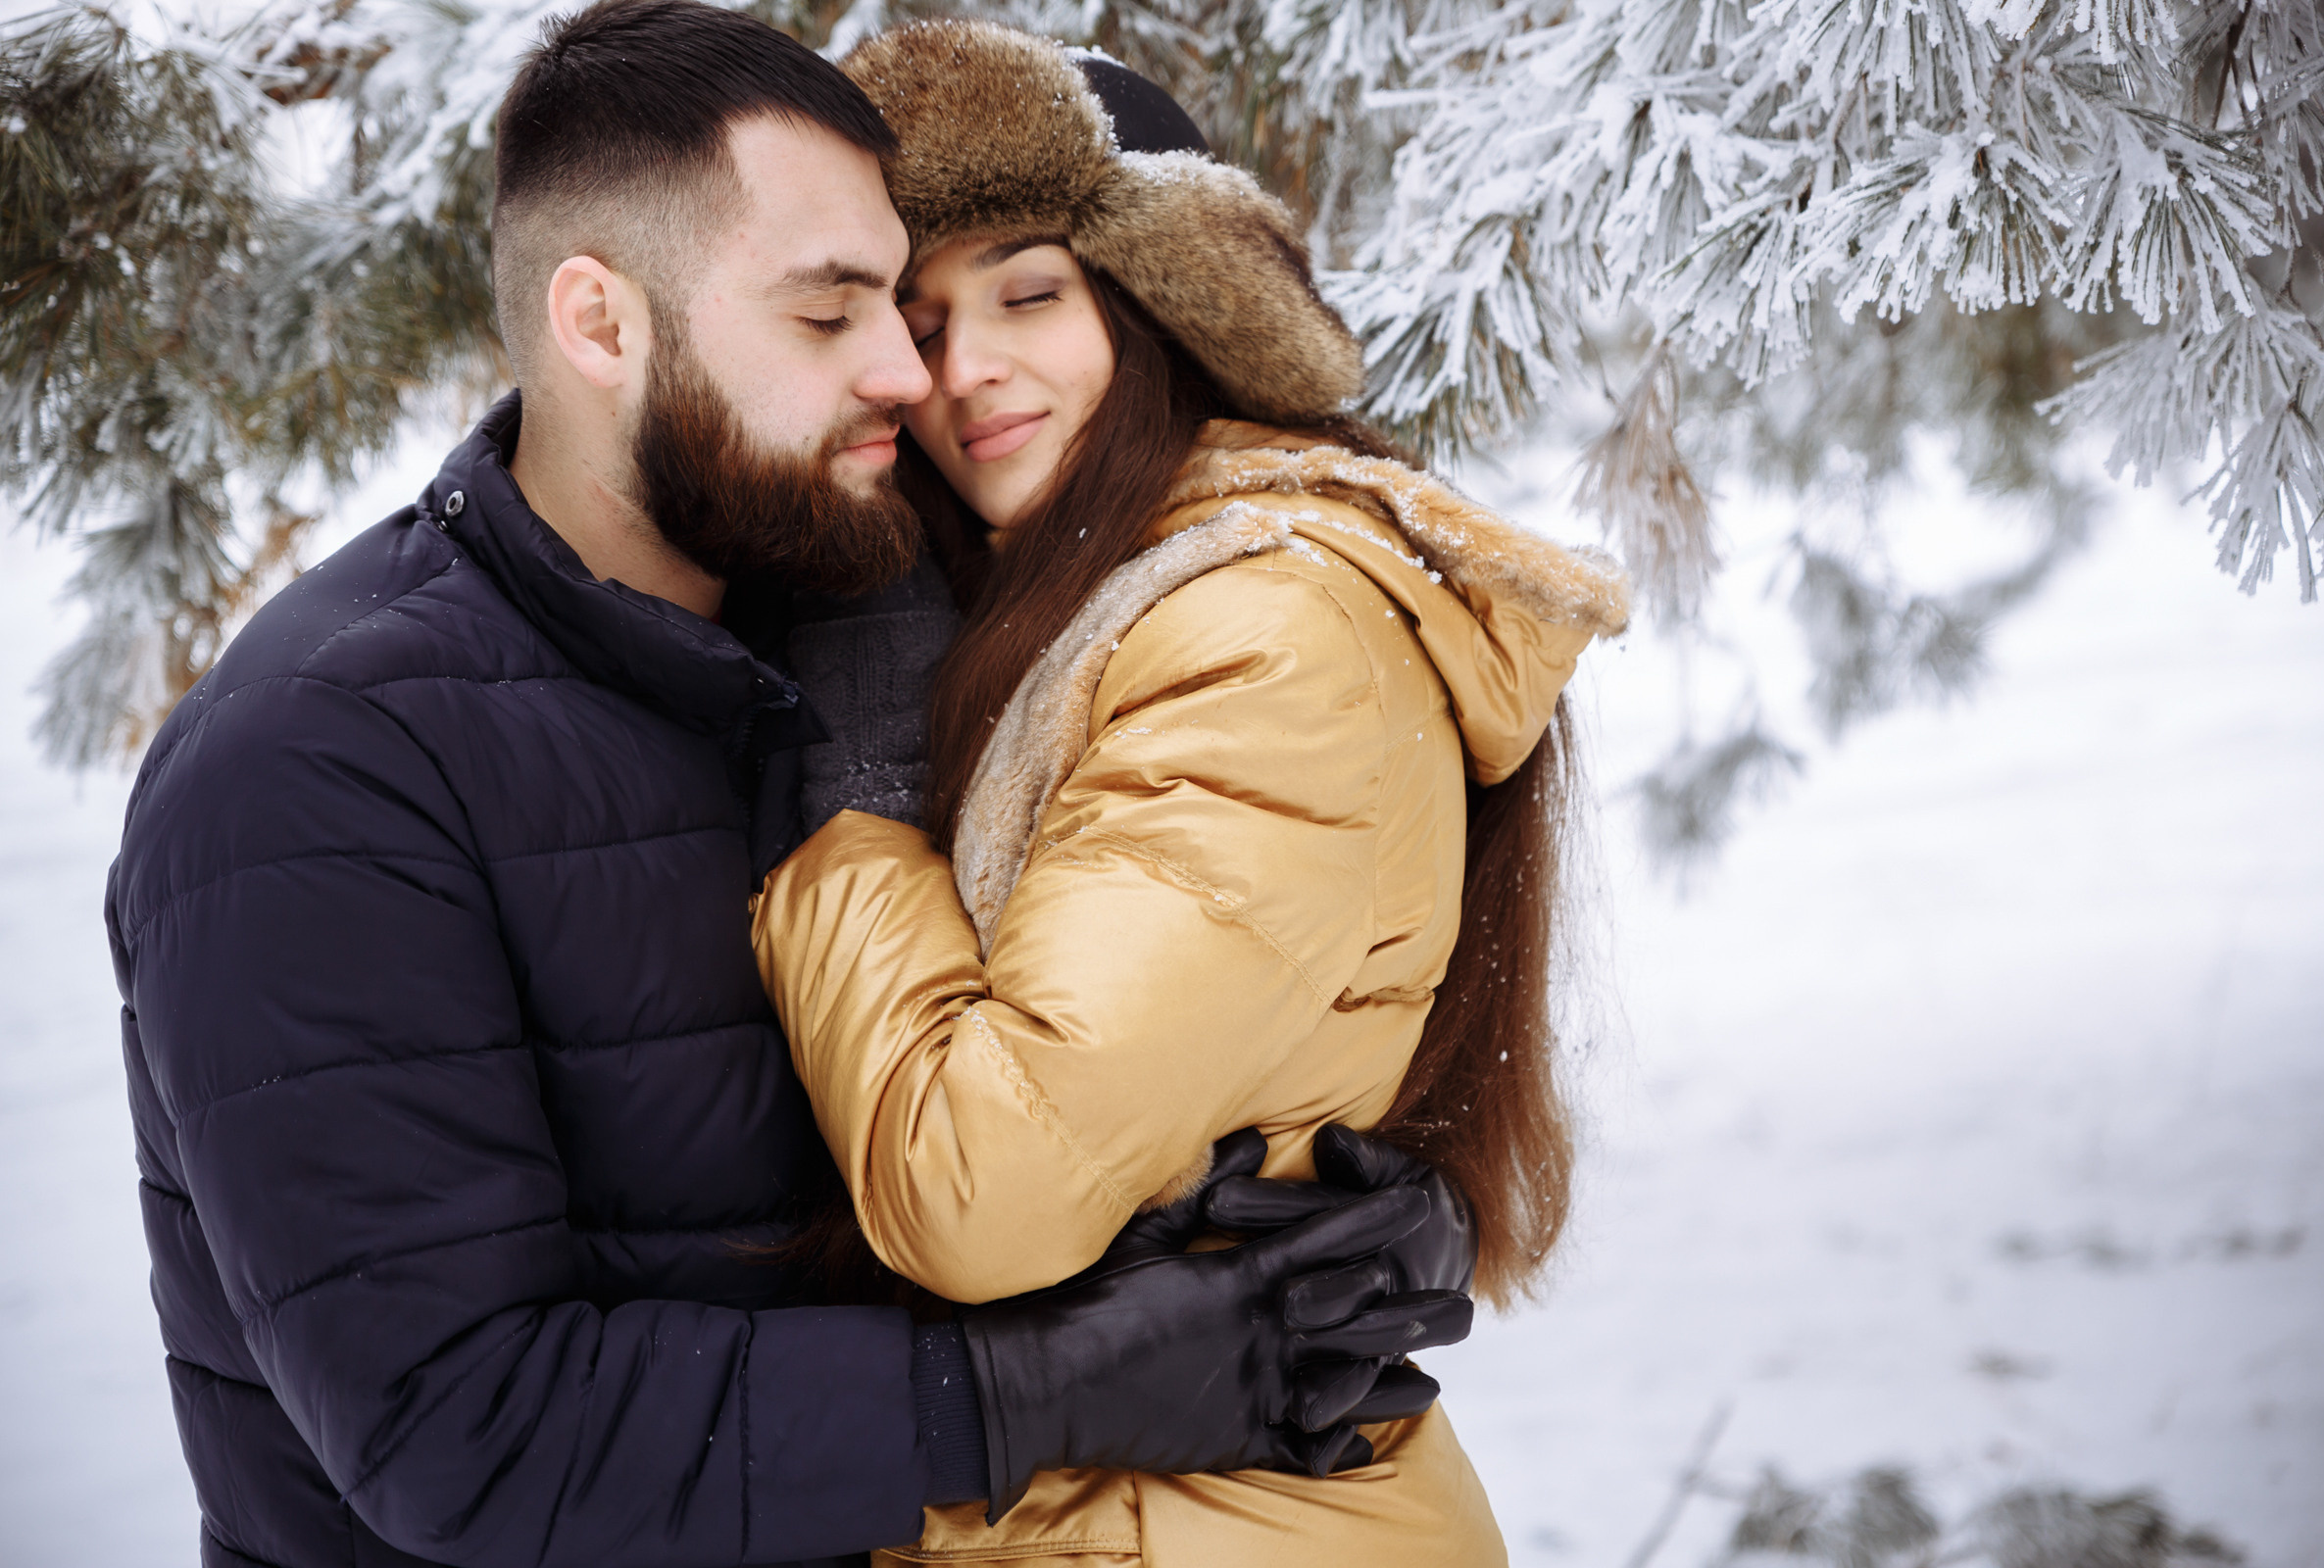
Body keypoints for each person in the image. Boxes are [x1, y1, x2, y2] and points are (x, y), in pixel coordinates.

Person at [101, 5, 1476, 1566]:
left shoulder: (872, 628)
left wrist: (1342, 1208)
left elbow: (1093, 1052)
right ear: (604, 326)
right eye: (834, 316)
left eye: (901, 302)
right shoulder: (315, 766)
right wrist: (1038, 1391)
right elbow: (458, 1427)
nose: (914, 369)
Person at [752, 21, 1633, 1567]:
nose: (967, 372)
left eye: (1032, 293)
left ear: (1166, 303)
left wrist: (847, 835)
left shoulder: (1258, 631)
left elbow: (987, 1186)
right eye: (923, 317)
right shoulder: (1068, 610)